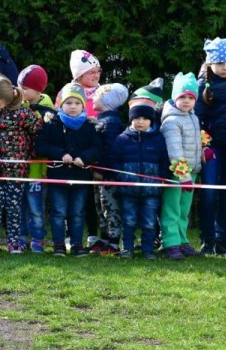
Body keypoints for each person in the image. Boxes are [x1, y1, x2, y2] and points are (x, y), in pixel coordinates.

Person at [36, 83, 101, 257]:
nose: (73, 107)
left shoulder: (88, 126)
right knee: (58, 212)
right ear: (61, 105)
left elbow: (97, 147)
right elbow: (40, 146)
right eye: (69, 103)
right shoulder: (52, 123)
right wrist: (60, 154)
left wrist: (84, 158)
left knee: (78, 213)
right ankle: (58, 244)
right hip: (58, 176)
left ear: (83, 105)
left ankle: (77, 245)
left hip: (80, 178)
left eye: (77, 103)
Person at [0, 75, 41, 254]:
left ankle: (14, 243)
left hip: (15, 169)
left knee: (13, 207)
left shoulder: (23, 113)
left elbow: (36, 130)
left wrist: (28, 152)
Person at [195, 38, 226, 255]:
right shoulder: (202, 84)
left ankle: (223, 240)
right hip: (212, 147)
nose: (225, 67)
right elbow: (197, 119)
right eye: (220, 63)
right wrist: (204, 146)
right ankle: (207, 239)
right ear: (210, 63)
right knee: (210, 192)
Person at [109, 93, 167, 260]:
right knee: (129, 220)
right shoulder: (121, 139)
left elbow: (164, 160)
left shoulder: (158, 140)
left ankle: (148, 249)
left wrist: (162, 177)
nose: (140, 121)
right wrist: (120, 177)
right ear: (130, 119)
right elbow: (114, 160)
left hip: (151, 191)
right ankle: (127, 248)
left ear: (151, 120)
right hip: (128, 191)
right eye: (136, 118)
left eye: (144, 118)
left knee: (149, 221)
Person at [160, 73, 204, 260]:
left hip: (190, 174)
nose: (186, 101)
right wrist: (183, 175)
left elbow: (193, 142)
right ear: (174, 98)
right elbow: (175, 151)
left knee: (184, 210)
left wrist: (203, 152)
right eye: (182, 97)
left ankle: (182, 239)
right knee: (172, 208)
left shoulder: (193, 118)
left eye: (190, 98)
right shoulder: (171, 120)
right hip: (177, 175)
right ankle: (170, 243)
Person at [17, 65, 55, 253]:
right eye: (19, 87)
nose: (20, 91)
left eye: (25, 88)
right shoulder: (15, 105)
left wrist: (46, 171)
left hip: (37, 170)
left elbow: (47, 143)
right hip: (18, 168)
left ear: (38, 90)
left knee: (36, 207)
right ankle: (21, 237)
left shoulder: (48, 113)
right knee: (19, 206)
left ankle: (38, 239)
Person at [90, 83, 128, 254]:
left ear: (106, 100)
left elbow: (110, 151)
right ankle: (105, 238)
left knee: (110, 207)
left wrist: (102, 170)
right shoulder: (102, 120)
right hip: (100, 174)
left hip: (107, 176)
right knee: (101, 207)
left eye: (97, 95)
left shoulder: (111, 123)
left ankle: (113, 242)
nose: (93, 98)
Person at [69, 50, 103, 118]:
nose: (97, 76)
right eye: (92, 72)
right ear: (79, 75)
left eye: (98, 71)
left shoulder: (103, 93)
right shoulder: (68, 93)